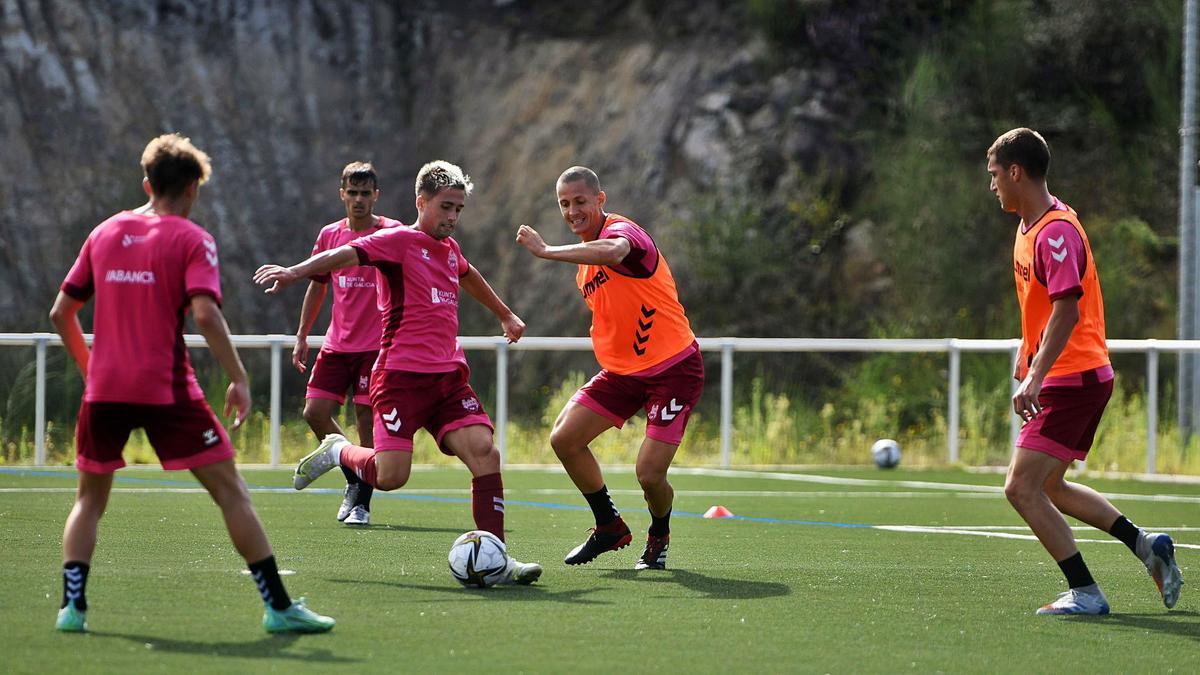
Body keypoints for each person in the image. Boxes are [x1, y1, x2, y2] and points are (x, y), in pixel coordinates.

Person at [49, 133, 334, 633]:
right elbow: (204, 314)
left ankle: (72, 609)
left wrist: (91, 370)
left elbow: (61, 312)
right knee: (232, 493)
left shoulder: (105, 232)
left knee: (89, 501)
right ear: (193, 190)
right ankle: (278, 607)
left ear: (146, 182)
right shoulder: (192, 239)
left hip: (105, 390)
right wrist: (239, 377)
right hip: (166, 389)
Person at [255, 160, 541, 584]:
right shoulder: (398, 241)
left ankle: (497, 556)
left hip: (447, 379)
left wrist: (505, 314)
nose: (452, 217)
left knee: (485, 453)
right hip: (400, 379)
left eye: (459, 209)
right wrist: (296, 271)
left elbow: (469, 275)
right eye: (445, 207)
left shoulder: (451, 249)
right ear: (420, 202)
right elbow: (342, 255)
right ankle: (337, 451)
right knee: (391, 477)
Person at [988, 127, 1183, 615]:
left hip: (1072, 379)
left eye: (994, 175)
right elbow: (1043, 308)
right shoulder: (1030, 226)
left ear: (1016, 172)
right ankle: (1145, 544)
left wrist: (1038, 374)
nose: (991, 185)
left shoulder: (1055, 232)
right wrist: (1027, 357)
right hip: (1072, 374)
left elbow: (1067, 310)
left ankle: (1087, 593)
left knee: (1020, 487)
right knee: (1050, 485)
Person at [515, 166, 704, 570]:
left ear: (601, 200)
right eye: (564, 204)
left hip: (673, 369)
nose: (572, 211)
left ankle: (659, 535)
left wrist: (547, 251)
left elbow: (615, 251)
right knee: (564, 439)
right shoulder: (584, 267)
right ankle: (609, 526)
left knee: (649, 474)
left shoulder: (623, 232)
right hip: (623, 375)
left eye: (580, 201)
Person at [294, 162, 402, 526]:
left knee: (366, 420)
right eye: (352, 193)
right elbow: (317, 281)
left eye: (365, 193)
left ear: (376, 195)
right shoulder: (329, 235)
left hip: (377, 346)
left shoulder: (391, 233)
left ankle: (360, 503)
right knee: (314, 412)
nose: (358, 200)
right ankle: (351, 467)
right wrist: (302, 333)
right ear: (342, 194)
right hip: (337, 344)